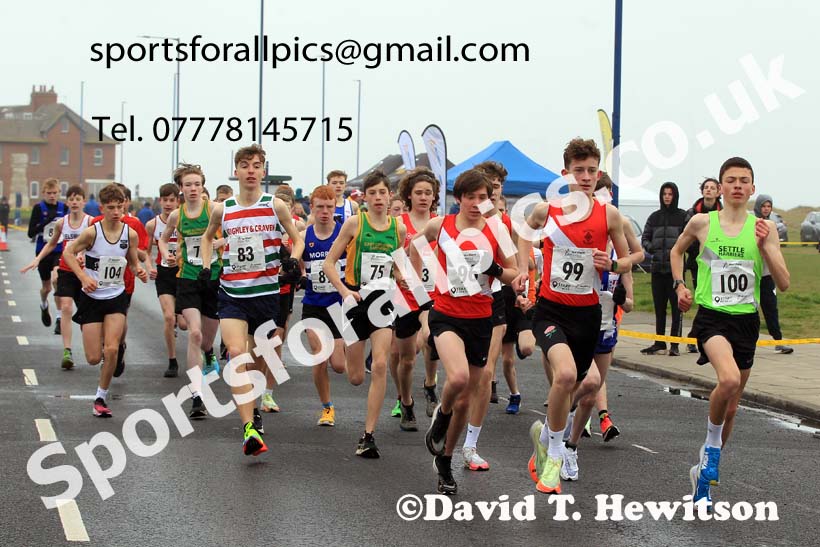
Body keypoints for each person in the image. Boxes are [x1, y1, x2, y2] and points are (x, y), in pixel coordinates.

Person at [671, 156, 789, 511]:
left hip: (746, 321)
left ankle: (702, 478)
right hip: (712, 318)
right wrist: (679, 285)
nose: (737, 185)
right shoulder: (702, 222)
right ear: (720, 187)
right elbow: (676, 251)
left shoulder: (764, 229)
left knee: (733, 406)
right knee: (729, 379)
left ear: (753, 188)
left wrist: (766, 247)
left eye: (744, 180)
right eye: (731, 180)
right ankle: (710, 452)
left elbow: (784, 283)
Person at [517, 138, 632, 494]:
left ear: (598, 174)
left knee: (582, 384)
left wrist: (614, 265)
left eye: (591, 171)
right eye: (578, 170)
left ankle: (546, 438)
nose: (585, 177)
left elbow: (631, 257)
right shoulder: (547, 211)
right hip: (551, 311)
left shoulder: (609, 215)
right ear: (565, 174)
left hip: (587, 314)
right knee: (565, 375)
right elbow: (524, 234)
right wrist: (522, 269)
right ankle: (555, 455)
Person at [418, 168, 520, 494]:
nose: (477, 204)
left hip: (481, 318)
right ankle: (441, 416)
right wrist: (423, 286)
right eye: (471, 197)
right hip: (446, 315)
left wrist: (495, 269)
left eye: (483, 198)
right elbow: (411, 250)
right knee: (458, 378)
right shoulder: (441, 225)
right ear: (459, 198)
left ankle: (445, 460)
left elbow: (516, 273)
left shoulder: (497, 229)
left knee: (466, 401)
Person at [199, 144, 303, 456]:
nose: (251, 171)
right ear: (236, 171)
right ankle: (248, 430)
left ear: (263, 171)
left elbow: (296, 239)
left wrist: (292, 260)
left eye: (256, 165)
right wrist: (206, 266)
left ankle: (254, 408)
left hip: (266, 294)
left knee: (258, 360)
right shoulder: (224, 209)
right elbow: (207, 237)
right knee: (235, 353)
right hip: (232, 293)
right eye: (245, 165)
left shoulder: (275, 206)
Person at [323, 169, 406, 458]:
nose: (378, 198)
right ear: (365, 198)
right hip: (355, 299)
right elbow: (329, 264)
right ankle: (348, 353)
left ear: (390, 195)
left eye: (383, 192)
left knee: (380, 365)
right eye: (373, 193)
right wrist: (344, 292)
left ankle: (368, 435)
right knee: (356, 377)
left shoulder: (398, 229)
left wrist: (404, 279)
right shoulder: (354, 223)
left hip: (383, 302)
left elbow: (398, 266)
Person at [63, 184, 148, 417]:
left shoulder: (129, 234)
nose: (116, 212)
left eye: (120, 207)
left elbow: (133, 263)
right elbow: (68, 252)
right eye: (111, 207)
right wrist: (83, 277)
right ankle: (104, 356)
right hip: (91, 298)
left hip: (116, 297)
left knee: (111, 349)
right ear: (102, 208)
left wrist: (139, 271)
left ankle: (100, 397)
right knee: (93, 358)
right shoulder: (92, 232)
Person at [159, 165, 223, 417]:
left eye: (197, 184)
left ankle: (209, 353)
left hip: (213, 278)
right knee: (194, 333)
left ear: (203, 186)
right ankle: (197, 396)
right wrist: (166, 254)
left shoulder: (215, 210)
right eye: (188, 185)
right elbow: (163, 239)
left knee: (206, 341)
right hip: (187, 278)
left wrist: (219, 242)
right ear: (181, 188)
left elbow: (233, 235)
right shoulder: (177, 215)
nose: (193, 189)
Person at [21, 185, 90, 369]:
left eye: (78, 199)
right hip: (66, 270)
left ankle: (97, 345)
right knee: (66, 306)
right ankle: (67, 351)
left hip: (85, 273)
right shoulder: (62, 223)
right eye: (71, 199)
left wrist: (84, 254)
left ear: (84, 202)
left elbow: (96, 244)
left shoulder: (90, 222)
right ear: (67, 202)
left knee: (86, 315)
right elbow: (51, 244)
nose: (74, 202)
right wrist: (37, 259)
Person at [393, 167, 440, 429]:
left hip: (434, 295)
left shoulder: (440, 224)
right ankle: (406, 402)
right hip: (406, 297)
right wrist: (399, 273)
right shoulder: (400, 225)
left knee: (431, 338)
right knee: (408, 359)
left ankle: (430, 384)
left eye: (428, 193)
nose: (423, 197)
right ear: (409, 196)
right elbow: (392, 255)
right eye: (419, 192)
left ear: (434, 197)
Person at [299, 185, 348, 426]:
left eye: (329, 207)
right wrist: (299, 274)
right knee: (319, 357)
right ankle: (327, 407)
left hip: (338, 306)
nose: (325, 212)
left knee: (338, 366)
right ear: (312, 207)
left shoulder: (344, 234)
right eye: (320, 207)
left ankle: (346, 348)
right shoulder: (304, 236)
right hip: (313, 305)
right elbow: (297, 260)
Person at [640, 182, 687, 356]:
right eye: (664, 194)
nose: (667, 197)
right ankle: (659, 342)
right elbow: (645, 238)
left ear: (675, 196)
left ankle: (675, 344)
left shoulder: (683, 216)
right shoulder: (654, 217)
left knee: (677, 309)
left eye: (670, 194)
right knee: (660, 309)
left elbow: (689, 239)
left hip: (675, 273)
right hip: (657, 270)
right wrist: (651, 247)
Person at [146, 183, 187, 378]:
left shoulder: (184, 220)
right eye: (165, 200)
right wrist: (149, 267)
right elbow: (145, 252)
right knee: (169, 317)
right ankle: (172, 361)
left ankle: (180, 323)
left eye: (172, 200)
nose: (168, 204)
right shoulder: (152, 225)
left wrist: (178, 256)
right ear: (160, 201)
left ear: (178, 201)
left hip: (183, 272)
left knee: (185, 324)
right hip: (164, 274)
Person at [683, 178, 723, 353]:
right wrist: (702, 252)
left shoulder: (724, 213)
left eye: (712, 188)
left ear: (718, 192)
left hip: (720, 264)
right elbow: (685, 239)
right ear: (702, 191)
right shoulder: (692, 214)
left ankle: (712, 336)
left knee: (717, 301)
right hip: (699, 263)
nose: (709, 190)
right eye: (706, 187)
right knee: (704, 300)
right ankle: (694, 337)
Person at [753, 194, 794, 354]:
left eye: (768, 206)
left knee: (771, 308)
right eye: (763, 206)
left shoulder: (772, 226)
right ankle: (747, 341)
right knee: (751, 310)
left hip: (767, 275)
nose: (766, 209)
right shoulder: (751, 223)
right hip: (752, 275)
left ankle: (778, 340)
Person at [27, 178, 67, 328]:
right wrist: (46, 222)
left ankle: (59, 318)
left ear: (59, 193)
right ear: (43, 193)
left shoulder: (64, 208)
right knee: (47, 288)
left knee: (57, 280)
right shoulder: (38, 208)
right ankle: (44, 305)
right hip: (43, 251)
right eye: (49, 193)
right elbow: (30, 233)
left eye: (55, 193)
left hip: (59, 251)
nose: (52, 196)